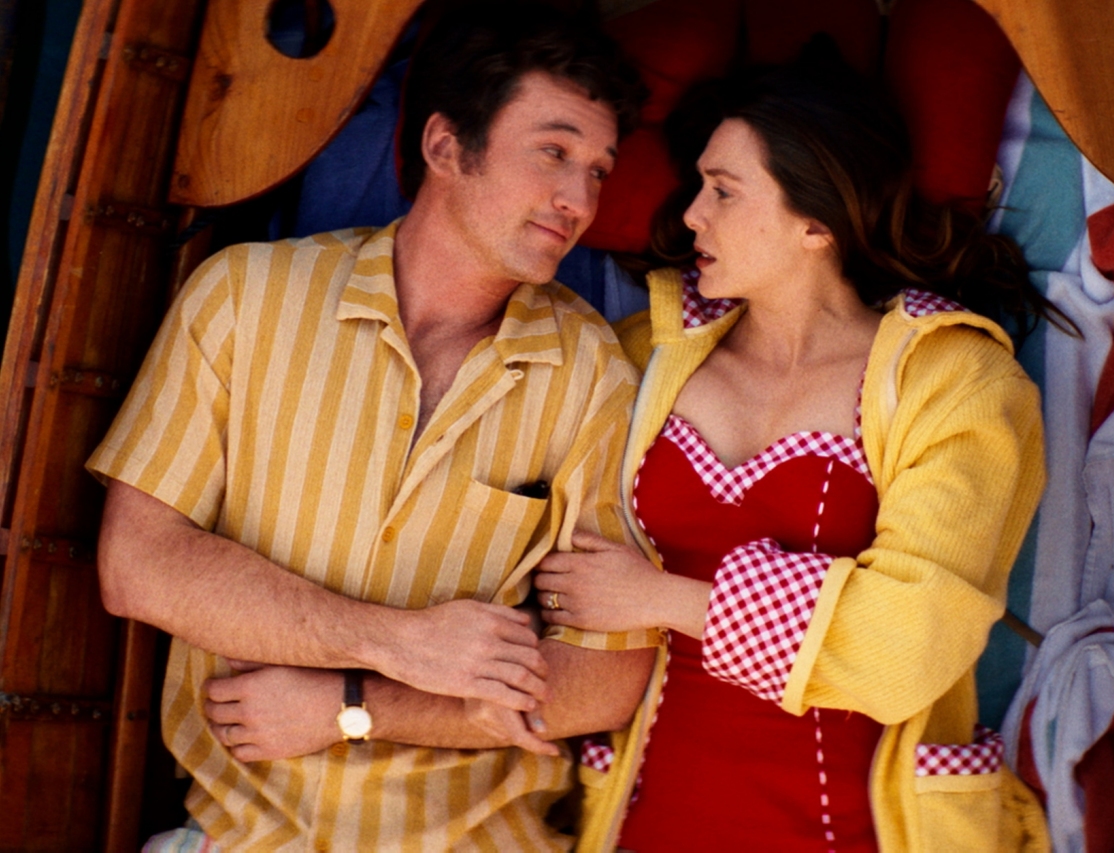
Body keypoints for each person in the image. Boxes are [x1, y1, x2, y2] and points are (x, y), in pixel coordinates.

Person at [87, 4, 659, 850]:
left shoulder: (594, 374)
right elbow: (138, 565)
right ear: (444, 146)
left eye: (598, 171)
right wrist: (398, 641)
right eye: (554, 152)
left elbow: (606, 678)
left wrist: (356, 705)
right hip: (243, 836)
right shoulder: (244, 298)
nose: (579, 200)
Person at [531, 45, 1052, 851]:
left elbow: (908, 643)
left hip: (863, 830)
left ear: (817, 221)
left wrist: (664, 599)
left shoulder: (957, 382)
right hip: (646, 818)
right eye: (699, 185)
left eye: (724, 190)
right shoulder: (641, 357)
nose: (693, 214)